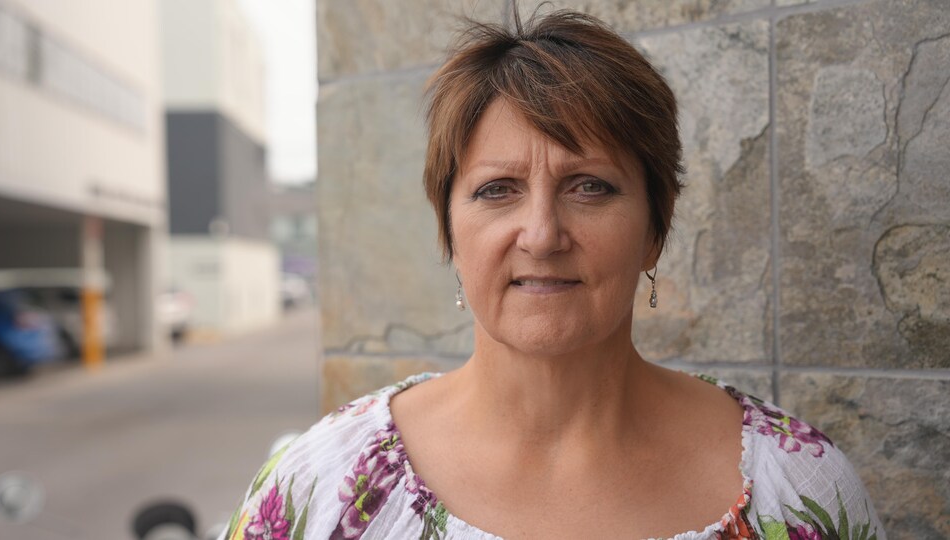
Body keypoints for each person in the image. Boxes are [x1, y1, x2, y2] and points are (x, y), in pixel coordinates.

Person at [222, 6, 884, 540]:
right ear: (448, 227)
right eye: (497, 190)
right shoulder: (323, 489)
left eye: (590, 187)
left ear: (656, 226)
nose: (541, 234)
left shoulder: (798, 489)